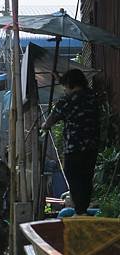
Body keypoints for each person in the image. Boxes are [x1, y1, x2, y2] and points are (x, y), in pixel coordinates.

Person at [41, 69, 99, 215]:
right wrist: (60, 78)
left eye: (66, 87)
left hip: (74, 147)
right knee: (86, 178)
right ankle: (83, 210)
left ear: (71, 84)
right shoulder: (92, 96)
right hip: (91, 146)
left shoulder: (66, 101)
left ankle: (79, 211)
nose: (65, 90)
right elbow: (73, 88)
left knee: (74, 177)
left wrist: (44, 126)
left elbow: (50, 121)